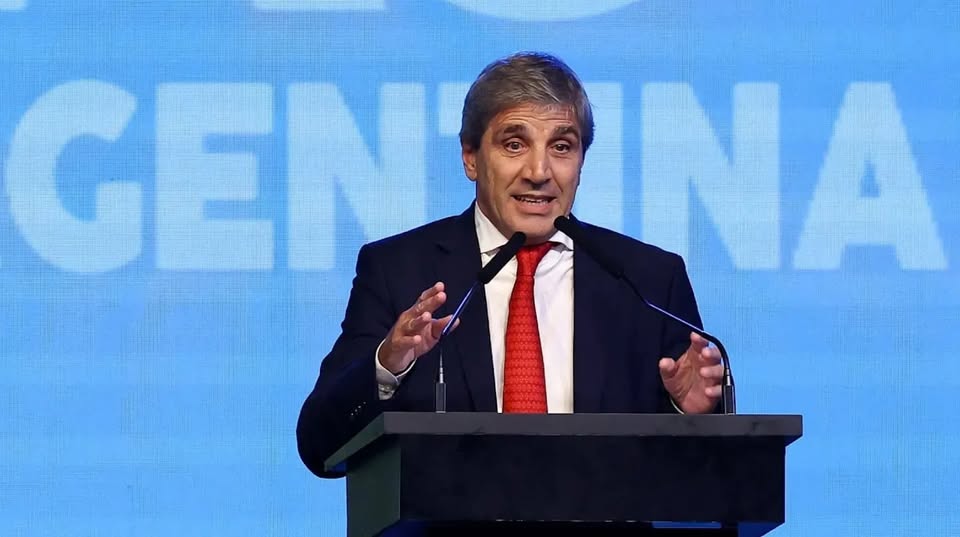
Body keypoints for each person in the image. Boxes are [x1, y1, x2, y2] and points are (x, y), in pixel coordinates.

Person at [296, 52, 723, 478]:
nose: (539, 171)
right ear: (471, 157)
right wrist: (387, 365)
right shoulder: (398, 271)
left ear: (581, 162)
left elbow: (707, 477)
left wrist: (688, 413)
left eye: (561, 146)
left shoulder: (647, 280)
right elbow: (320, 446)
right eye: (514, 144)